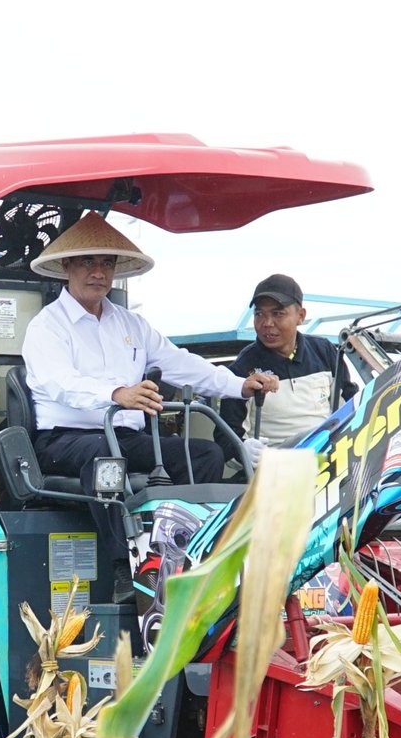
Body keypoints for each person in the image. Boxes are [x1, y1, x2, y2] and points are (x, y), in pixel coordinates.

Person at [21, 213, 276, 589]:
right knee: (105, 462)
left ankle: (194, 557)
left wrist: (239, 385)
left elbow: (180, 363)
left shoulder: (131, 324)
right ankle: (124, 570)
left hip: (126, 439)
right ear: (67, 267)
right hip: (65, 439)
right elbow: (59, 382)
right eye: (88, 262)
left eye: (106, 263)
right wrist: (117, 394)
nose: (98, 272)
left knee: (207, 454)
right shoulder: (46, 325)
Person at [219, 273, 358, 462]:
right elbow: (225, 438)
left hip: (330, 461)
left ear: (301, 316)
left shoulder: (324, 350)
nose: (267, 323)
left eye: (277, 314)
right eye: (259, 314)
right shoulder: (241, 369)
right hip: (274, 472)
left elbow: (352, 407)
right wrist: (242, 450)